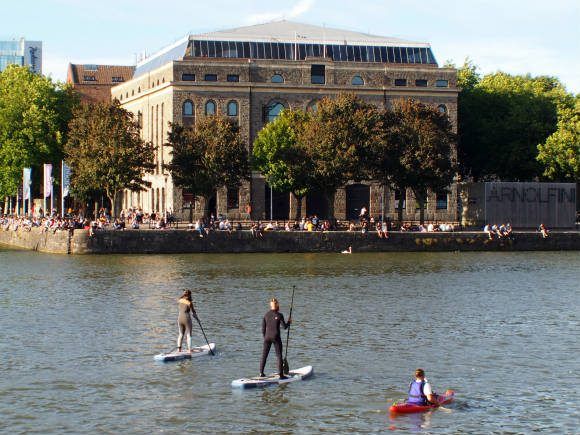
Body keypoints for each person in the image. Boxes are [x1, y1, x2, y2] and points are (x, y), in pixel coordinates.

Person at [259, 298, 291, 379]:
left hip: (267, 337)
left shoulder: (266, 315)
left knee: (264, 355)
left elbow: (263, 329)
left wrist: (265, 337)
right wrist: (289, 322)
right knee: (279, 356)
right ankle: (281, 375)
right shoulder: (279, 315)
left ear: (270, 305)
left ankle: (261, 373)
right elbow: (284, 327)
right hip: (276, 337)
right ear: (277, 305)